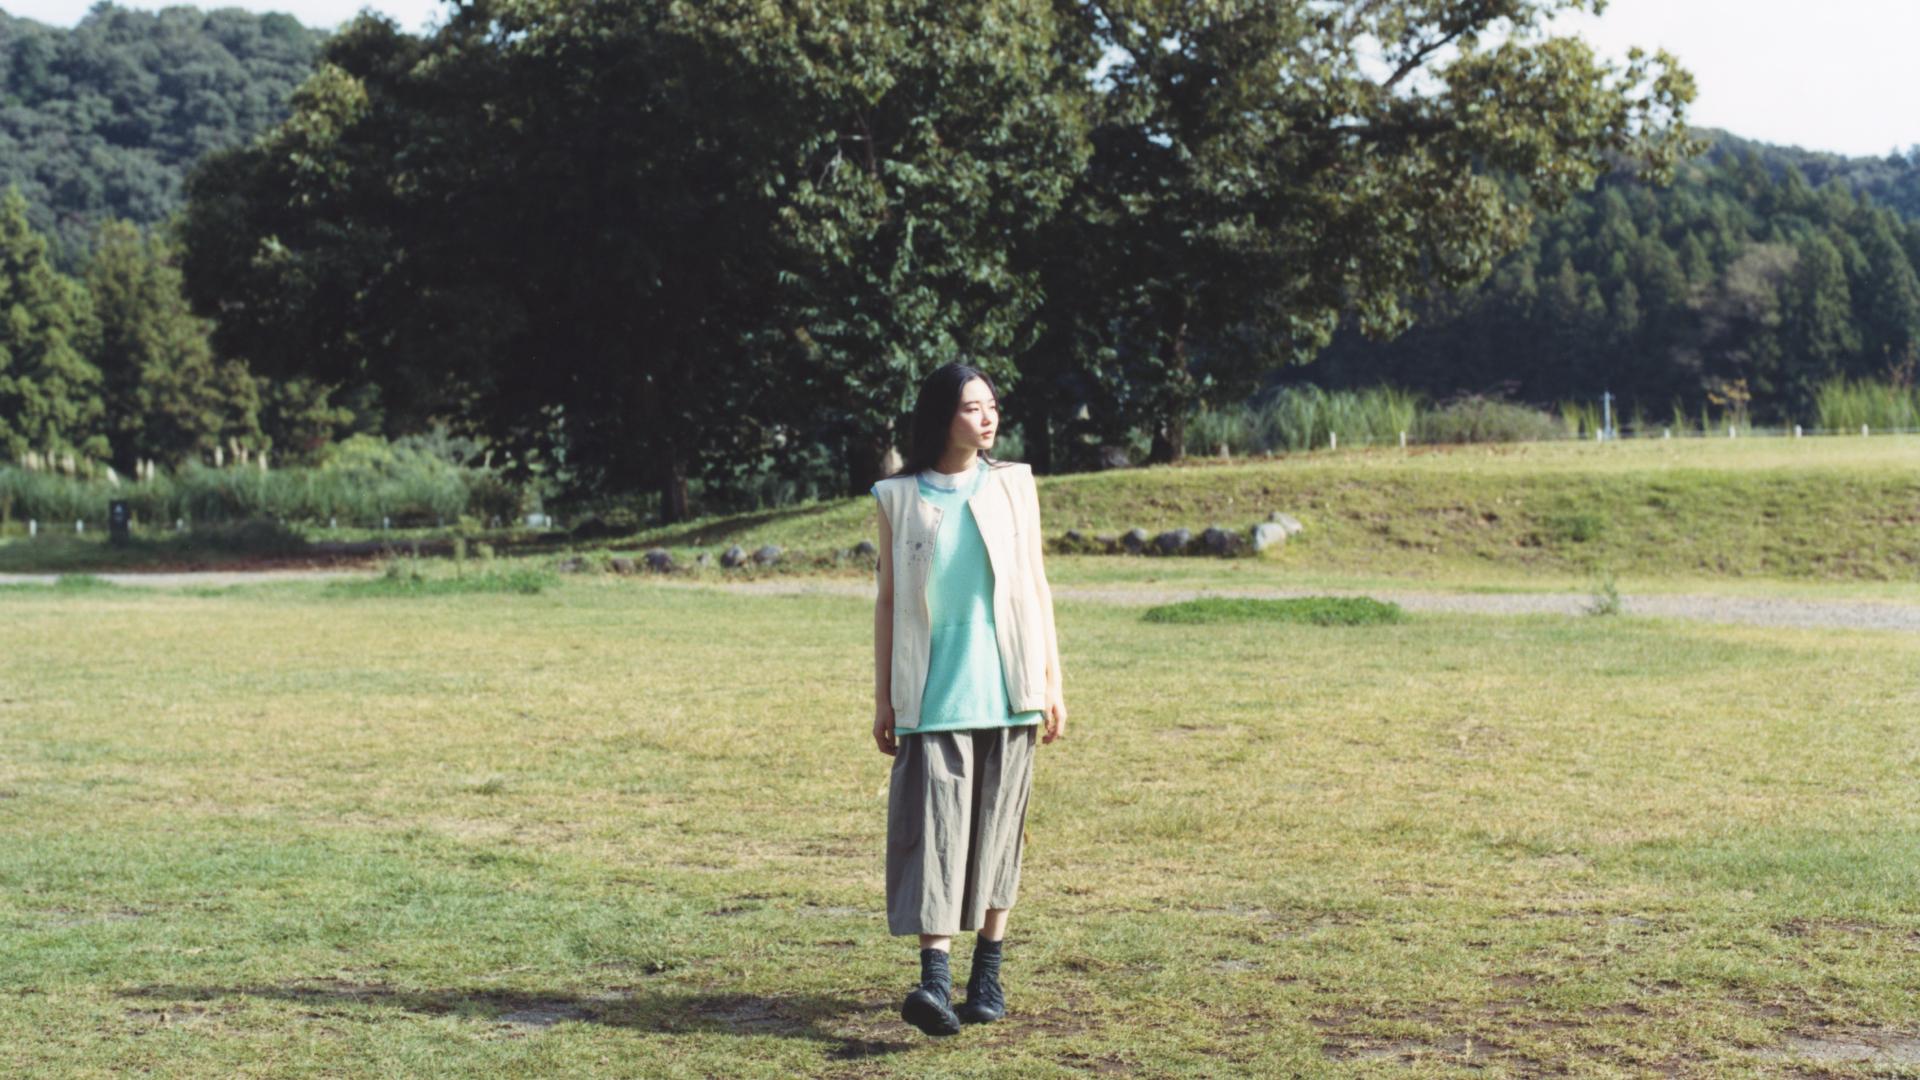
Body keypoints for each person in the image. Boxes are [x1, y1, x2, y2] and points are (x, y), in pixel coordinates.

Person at [869, 362, 1068, 1037]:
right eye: (972, 408)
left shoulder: (1014, 485)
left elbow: (1036, 585)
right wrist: (884, 698)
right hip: (933, 691)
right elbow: (889, 601)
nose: (988, 418)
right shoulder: (897, 497)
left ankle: (987, 975)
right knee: (936, 833)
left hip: (1009, 687)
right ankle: (934, 981)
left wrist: (1052, 682)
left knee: (998, 831)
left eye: (992, 406)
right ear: (941, 417)